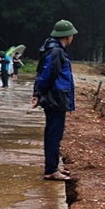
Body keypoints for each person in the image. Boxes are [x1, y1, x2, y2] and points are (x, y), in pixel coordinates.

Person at [31, 20, 76, 181]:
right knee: (53, 134)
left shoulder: (53, 50)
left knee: (54, 133)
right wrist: (38, 92)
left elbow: (41, 73)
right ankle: (51, 170)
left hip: (55, 98)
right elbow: (47, 75)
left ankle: (53, 166)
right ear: (68, 36)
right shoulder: (56, 51)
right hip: (55, 98)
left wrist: (37, 93)